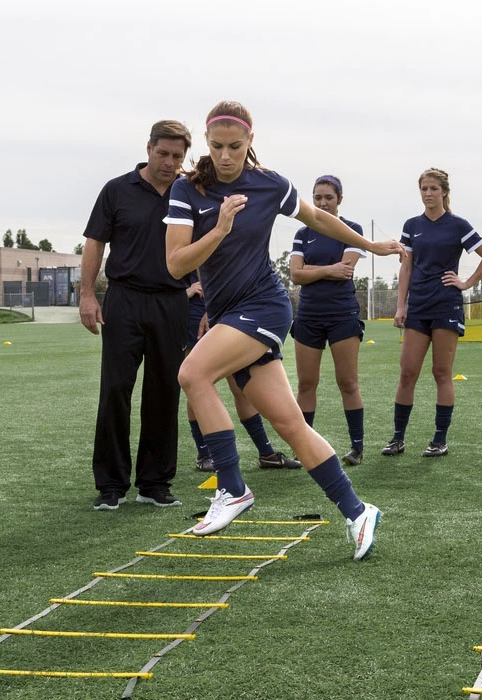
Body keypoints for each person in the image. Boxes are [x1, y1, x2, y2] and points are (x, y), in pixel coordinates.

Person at [165, 101, 403, 560]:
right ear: (206, 143)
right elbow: (176, 264)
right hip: (228, 312)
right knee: (291, 424)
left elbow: (319, 218)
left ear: (250, 142)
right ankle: (358, 512)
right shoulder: (186, 189)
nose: (226, 155)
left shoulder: (270, 184)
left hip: (265, 307)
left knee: (192, 374)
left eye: (235, 146)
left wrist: (370, 245)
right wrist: (218, 229)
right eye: (217, 146)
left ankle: (232, 487)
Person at [79, 120, 193, 511]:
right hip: (124, 300)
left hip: (173, 301)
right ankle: (111, 484)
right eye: (163, 153)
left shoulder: (189, 192)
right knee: (115, 390)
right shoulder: (116, 190)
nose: (169, 162)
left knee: (165, 392)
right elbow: (95, 243)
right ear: (148, 149)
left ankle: (154, 483)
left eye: (177, 156)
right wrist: (87, 295)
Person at [382, 167, 482, 459]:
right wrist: (401, 305)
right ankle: (397, 438)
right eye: (424, 189)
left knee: (441, 373)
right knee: (407, 373)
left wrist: (466, 283)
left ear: (445, 192)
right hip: (418, 307)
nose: (428, 194)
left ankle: (439, 440)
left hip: (446, 305)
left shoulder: (458, 225)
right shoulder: (412, 225)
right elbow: (406, 267)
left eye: (434, 188)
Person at [185, 271, 302, 473]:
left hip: (228, 312)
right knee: (198, 383)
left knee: (240, 386)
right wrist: (187, 293)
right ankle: (204, 455)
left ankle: (266, 454)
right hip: (197, 314)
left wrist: (214, 309)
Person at [289, 175, 368, 466]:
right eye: (317, 198)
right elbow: (295, 275)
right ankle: (303, 449)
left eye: (328, 198)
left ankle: (357, 447)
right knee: (306, 384)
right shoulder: (302, 233)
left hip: (342, 315)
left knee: (347, 382)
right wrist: (327, 269)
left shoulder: (353, 230)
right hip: (308, 315)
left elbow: (345, 271)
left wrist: (312, 270)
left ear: (340, 200)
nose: (322, 203)